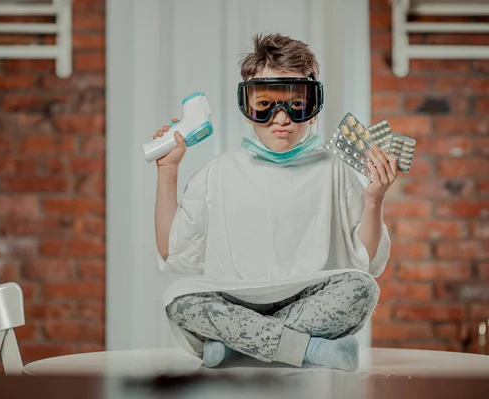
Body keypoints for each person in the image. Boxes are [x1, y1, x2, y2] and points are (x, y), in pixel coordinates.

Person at [152, 33, 396, 372]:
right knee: (179, 299)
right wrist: (168, 170)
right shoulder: (218, 172)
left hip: (308, 298)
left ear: (313, 109)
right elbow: (170, 250)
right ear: (247, 108)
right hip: (234, 299)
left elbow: (366, 262)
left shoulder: (335, 170)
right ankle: (308, 349)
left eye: (296, 103)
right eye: (266, 102)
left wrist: (375, 199)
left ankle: (236, 347)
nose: (281, 117)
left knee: (362, 289)